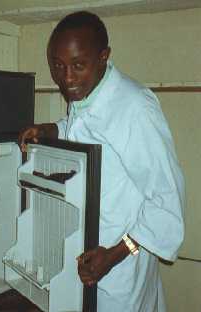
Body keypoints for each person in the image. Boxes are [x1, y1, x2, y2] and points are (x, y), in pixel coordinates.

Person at [19, 11, 185, 312]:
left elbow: (167, 201)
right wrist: (51, 129)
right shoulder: (88, 93)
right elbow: (88, 133)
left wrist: (116, 254)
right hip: (87, 256)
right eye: (58, 66)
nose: (66, 78)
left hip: (120, 267)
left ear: (103, 57)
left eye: (77, 66)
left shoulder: (135, 107)